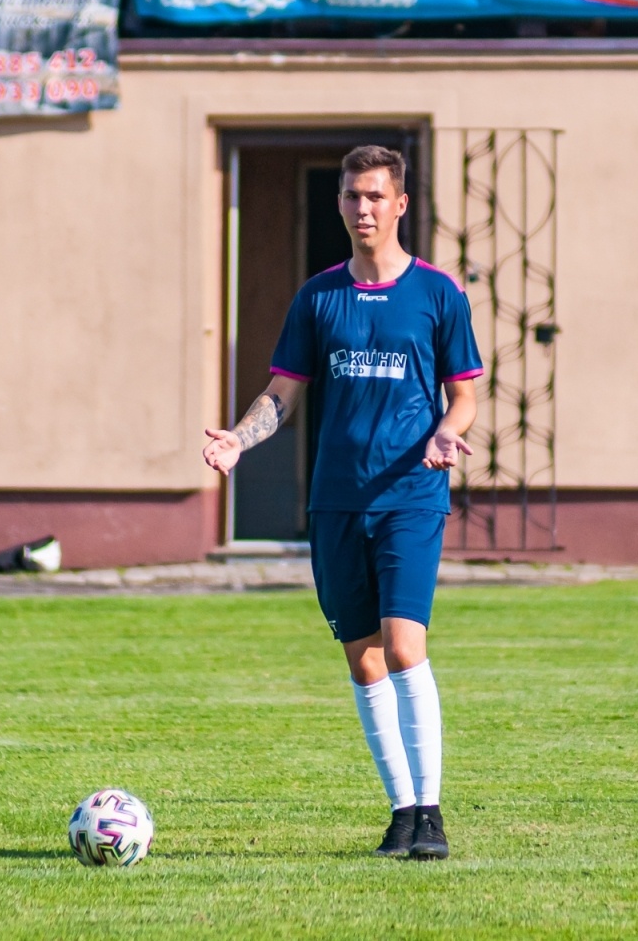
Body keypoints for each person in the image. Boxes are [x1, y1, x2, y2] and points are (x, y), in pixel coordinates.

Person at [202, 145, 482, 860]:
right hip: (335, 502)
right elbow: (282, 395)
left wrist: (446, 436)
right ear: (341, 205)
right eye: (352, 197)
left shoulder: (438, 294)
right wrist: (240, 438)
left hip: (411, 495)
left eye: (375, 197)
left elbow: (465, 396)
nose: (363, 208)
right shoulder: (318, 297)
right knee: (362, 662)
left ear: (400, 205)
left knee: (403, 645)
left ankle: (432, 813)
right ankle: (400, 815)